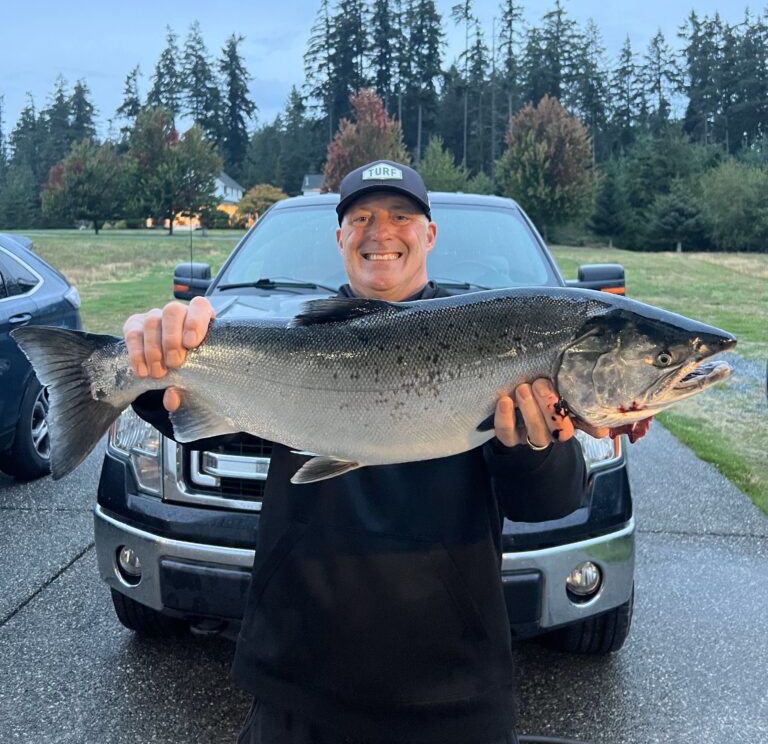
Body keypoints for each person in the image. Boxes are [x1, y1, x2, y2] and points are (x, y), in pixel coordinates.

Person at [126, 160, 608, 744]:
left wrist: (532, 446)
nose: (381, 232)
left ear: (429, 235)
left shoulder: (505, 336)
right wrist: (153, 365)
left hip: (454, 688)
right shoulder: (290, 343)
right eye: (361, 217)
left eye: (401, 216)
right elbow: (197, 424)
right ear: (340, 238)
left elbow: (551, 501)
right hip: (296, 680)